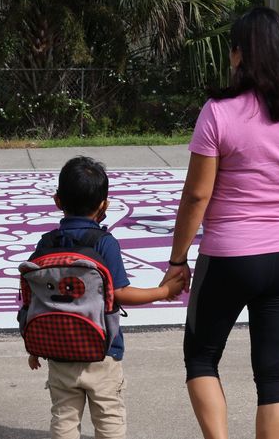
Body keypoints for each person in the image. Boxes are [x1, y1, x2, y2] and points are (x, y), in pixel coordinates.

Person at [161, 8, 279, 439]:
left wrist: (178, 257)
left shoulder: (219, 111)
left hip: (230, 256)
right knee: (274, 376)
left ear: (240, 54)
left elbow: (197, 195)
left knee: (202, 358)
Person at [28, 156, 184, 439]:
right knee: (109, 417)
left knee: (63, 417)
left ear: (57, 201)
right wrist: (164, 292)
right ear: (104, 205)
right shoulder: (104, 243)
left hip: (58, 351)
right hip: (103, 351)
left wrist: (33, 345)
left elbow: (33, 296)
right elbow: (121, 292)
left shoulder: (46, 243)